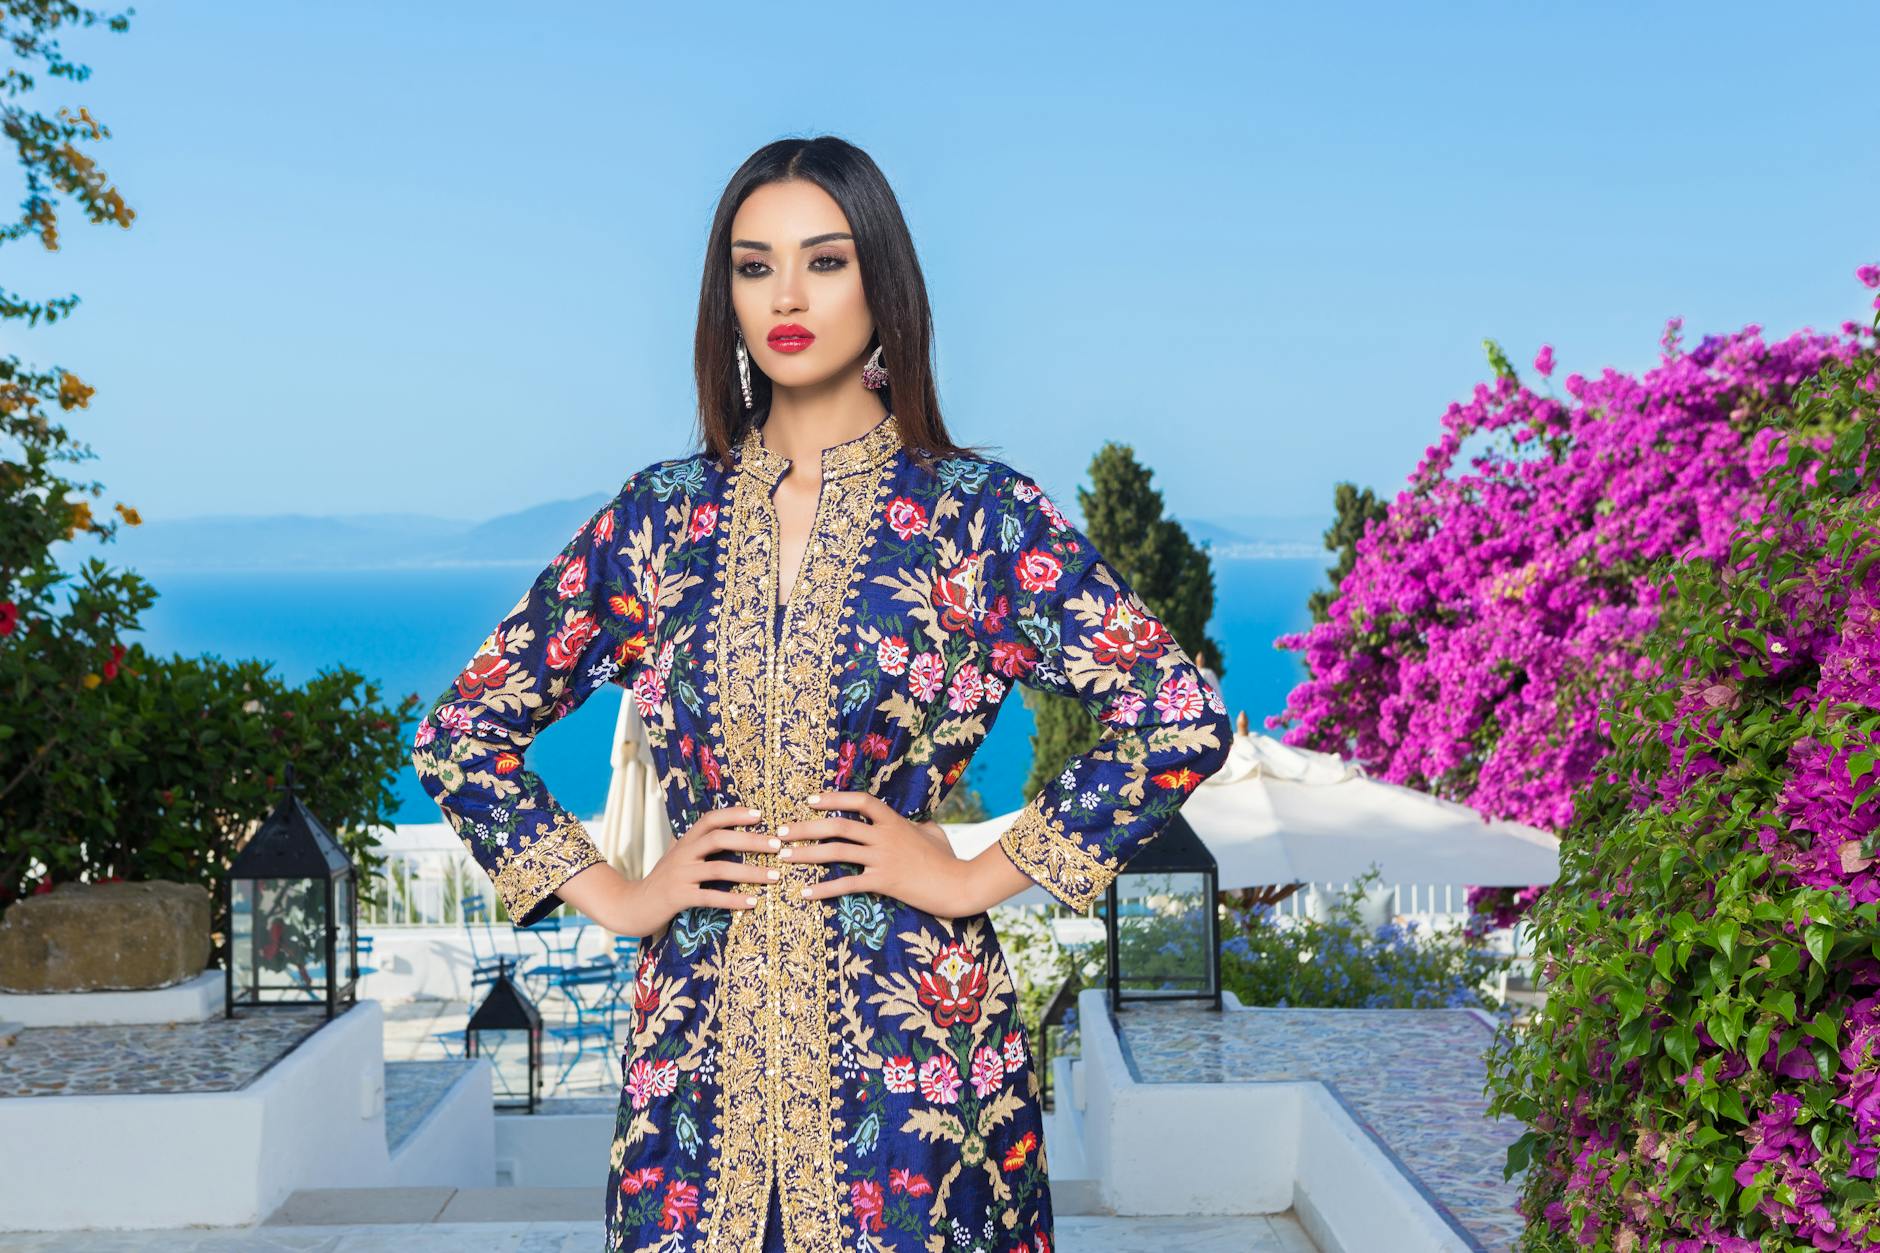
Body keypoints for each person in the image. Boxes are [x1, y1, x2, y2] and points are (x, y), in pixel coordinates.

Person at [409, 134, 1234, 1253]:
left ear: (882, 282)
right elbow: (462, 731)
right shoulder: (660, 520)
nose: (786, 295)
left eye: (824, 260)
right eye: (754, 266)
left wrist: (965, 867)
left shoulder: (973, 517)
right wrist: (624, 892)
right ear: (726, 297)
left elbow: (1171, 708)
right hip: (694, 1062)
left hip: (915, 1062)